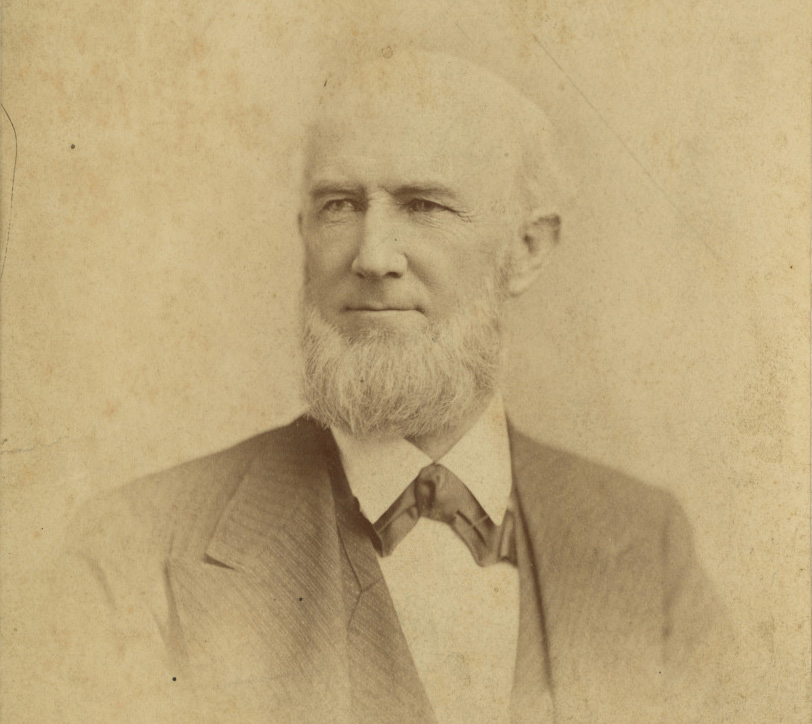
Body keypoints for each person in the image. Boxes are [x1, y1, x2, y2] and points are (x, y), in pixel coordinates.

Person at [42, 50, 733, 723]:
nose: (372, 257)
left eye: (424, 205)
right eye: (340, 205)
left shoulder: (648, 545)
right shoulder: (135, 554)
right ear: (303, 232)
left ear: (526, 250)